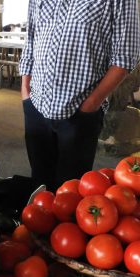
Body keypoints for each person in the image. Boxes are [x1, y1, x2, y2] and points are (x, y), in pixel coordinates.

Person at [19, 0, 140, 192]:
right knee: (39, 187)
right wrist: (25, 91)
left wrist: (91, 104)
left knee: (70, 193)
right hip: (35, 106)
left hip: (80, 113)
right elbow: (31, 41)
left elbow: (125, 57)